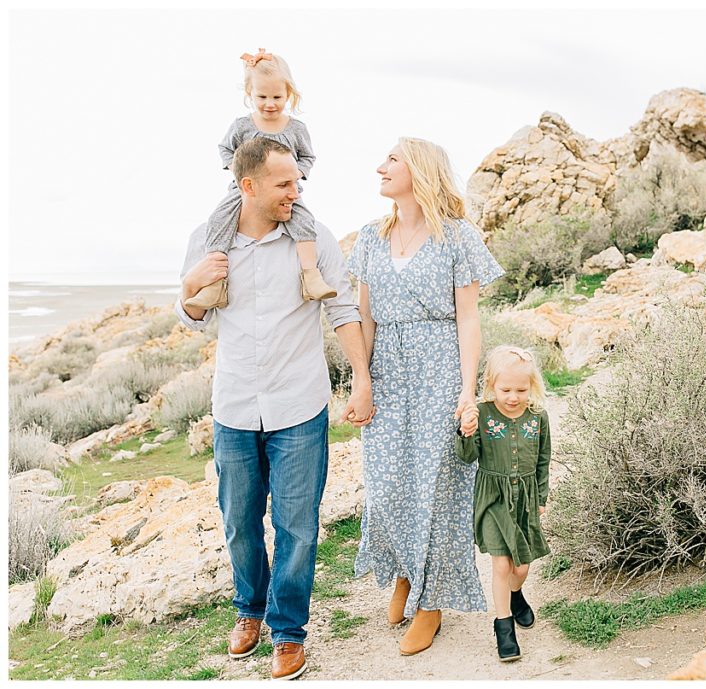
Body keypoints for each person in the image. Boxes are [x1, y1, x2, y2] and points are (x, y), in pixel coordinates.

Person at [176, 136, 374, 681]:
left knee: (298, 527)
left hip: (299, 406)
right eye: (285, 183)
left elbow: (341, 309)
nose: (298, 190)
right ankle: (250, 610)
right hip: (234, 407)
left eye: (297, 180)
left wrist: (361, 380)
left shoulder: (313, 240)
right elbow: (191, 314)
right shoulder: (208, 240)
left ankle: (287, 632)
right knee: (240, 523)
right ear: (250, 186)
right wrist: (190, 286)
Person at [348, 137, 505, 656]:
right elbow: (364, 317)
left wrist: (467, 392)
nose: (380, 166)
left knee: (437, 486)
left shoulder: (458, 237)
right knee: (388, 483)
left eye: (391, 159)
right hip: (387, 370)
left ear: (419, 170)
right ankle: (402, 571)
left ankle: (432, 600)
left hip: (439, 365)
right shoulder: (370, 239)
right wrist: (361, 381)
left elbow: (467, 318)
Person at [184, 48, 336, 311]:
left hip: (287, 192)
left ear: (289, 94)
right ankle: (215, 285)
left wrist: (294, 174)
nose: (270, 103)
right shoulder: (243, 126)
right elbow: (225, 149)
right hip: (241, 190)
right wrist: (236, 169)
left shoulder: (296, 129)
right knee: (220, 220)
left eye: (277, 96)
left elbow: (308, 156)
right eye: (261, 96)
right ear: (249, 95)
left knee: (304, 221)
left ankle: (310, 275)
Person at [456, 345, 551, 662]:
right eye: (505, 389)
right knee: (500, 564)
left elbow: (542, 460)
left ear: (532, 386)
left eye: (521, 389)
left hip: (524, 499)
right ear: (491, 385)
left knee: (521, 567)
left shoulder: (538, 418)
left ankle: (515, 594)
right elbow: (467, 457)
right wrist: (465, 432)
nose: (513, 396)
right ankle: (504, 628)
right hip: (493, 498)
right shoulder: (482, 414)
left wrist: (540, 497)